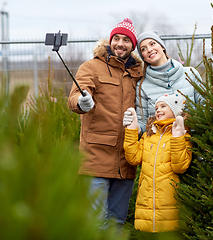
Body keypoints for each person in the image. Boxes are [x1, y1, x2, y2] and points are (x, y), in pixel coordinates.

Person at [67, 18, 143, 227]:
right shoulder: (91, 67)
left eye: (126, 40)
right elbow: (75, 97)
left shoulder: (138, 73)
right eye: (116, 38)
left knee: (117, 220)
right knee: (96, 221)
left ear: (132, 45)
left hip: (126, 159)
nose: (120, 43)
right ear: (110, 41)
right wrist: (82, 103)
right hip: (96, 157)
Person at [123, 92, 192, 233]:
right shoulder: (149, 135)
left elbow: (180, 167)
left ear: (175, 110)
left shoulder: (182, 135)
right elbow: (134, 158)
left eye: (163, 106)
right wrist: (131, 130)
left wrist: (178, 137)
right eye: (156, 108)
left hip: (170, 204)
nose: (158, 110)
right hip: (146, 203)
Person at [123, 30, 203, 133]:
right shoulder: (142, 86)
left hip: (192, 142)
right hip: (160, 146)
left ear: (162, 46)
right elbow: (143, 123)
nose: (149, 49)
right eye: (143, 49)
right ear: (143, 57)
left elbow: (204, 108)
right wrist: (135, 126)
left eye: (152, 44)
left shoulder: (190, 74)